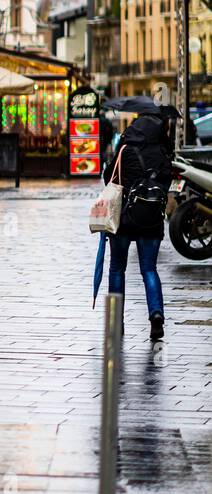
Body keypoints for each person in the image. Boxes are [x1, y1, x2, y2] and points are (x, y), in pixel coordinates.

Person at [103, 109, 174, 343]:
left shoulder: (125, 149)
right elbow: (166, 182)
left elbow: (108, 177)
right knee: (149, 269)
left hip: (124, 217)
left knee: (117, 268)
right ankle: (156, 315)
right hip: (151, 219)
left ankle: (115, 321)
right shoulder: (162, 152)